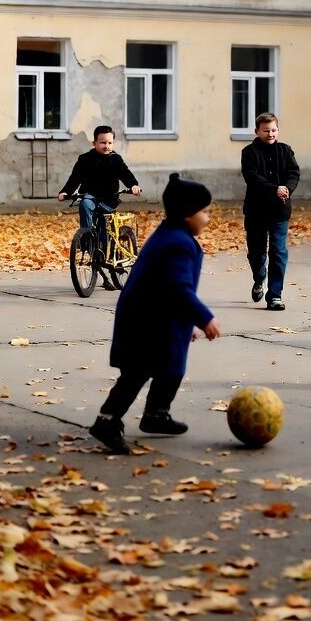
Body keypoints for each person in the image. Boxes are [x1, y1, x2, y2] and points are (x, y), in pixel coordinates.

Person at [89, 173, 221, 455]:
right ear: (188, 214)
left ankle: (156, 415)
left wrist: (185, 323)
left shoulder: (172, 235)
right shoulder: (178, 243)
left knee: (171, 368)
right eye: (205, 212)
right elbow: (178, 289)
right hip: (144, 321)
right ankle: (107, 422)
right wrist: (204, 318)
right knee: (136, 374)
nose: (209, 218)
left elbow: (168, 289)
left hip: (155, 316)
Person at [241, 112, 300, 311]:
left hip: (279, 211)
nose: (270, 134)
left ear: (278, 130)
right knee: (257, 253)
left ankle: (275, 295)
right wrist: (274, 189)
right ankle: (259, 278)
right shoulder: (249, 152)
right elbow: (251, 177)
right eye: (266, 130)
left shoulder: (285, 151)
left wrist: (287, 189)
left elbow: (293, 173)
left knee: (278, 252)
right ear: (257, 131)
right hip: (256, 211)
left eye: (274, 130)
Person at [58, 125, 141, 236]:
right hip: (89, 196)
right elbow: (74, 178)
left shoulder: (115, 159)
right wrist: (66, 192)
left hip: (109, 198)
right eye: (103, 143)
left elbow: (125, 174)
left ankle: (105, 246)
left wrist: (133, 185)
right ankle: (87, 236)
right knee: (85, 204)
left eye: (110, 143)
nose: (107, 146)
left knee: (104, 231)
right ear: (94, 143)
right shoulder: (84, 159)